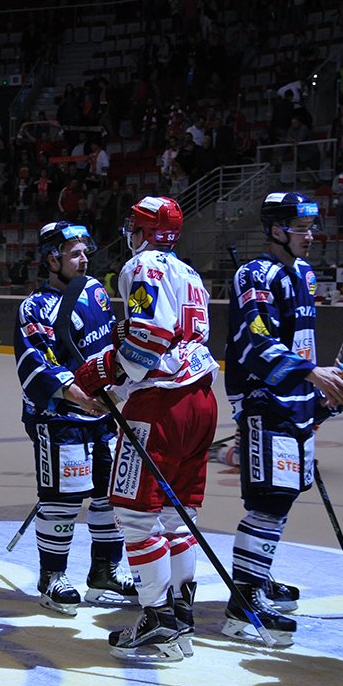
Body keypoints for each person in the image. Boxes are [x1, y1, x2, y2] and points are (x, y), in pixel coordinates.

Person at [77, 196, 218, 660]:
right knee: (178, 517)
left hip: (161, 404)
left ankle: (157, 617)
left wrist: (106, 370)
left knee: (136, 514)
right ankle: (180, 616)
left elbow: (149, 335)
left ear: (142, 231)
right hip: (201, 399)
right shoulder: (189, 273)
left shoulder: (143, 266)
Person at [224, 192, 343, 646]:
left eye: (311, 227)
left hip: (297, 399)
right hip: (264, 400)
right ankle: (243, 601)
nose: (310, 235)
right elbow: (256, 342)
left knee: (283, 497)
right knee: (269, 500)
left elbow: (301, 342)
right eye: (301, 228)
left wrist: (319, 393)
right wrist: (312, 373)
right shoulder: (254, 274)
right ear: (276, 229)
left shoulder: (303, 274)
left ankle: (257, 576)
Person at [13, 221, 131, 616]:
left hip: (102, 414)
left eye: (85, 253)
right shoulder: (35, 307)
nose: (84, 260)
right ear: (52, 259)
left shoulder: (95, 292)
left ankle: (105, 571)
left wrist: (119, 383)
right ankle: (52, 576)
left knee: (109, 495)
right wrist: (78, 396)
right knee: (62, 500)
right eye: (74, 254)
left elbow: (108, 345)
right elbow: (36, 363)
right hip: (59, 418)